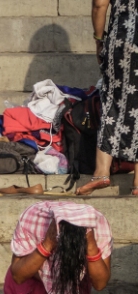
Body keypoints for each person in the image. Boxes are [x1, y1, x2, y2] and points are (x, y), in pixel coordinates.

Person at [77, 0, 138, 196]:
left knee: (112, 101)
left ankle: (102, 172)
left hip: (123, 40)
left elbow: (100, 4)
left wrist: (98, 39)